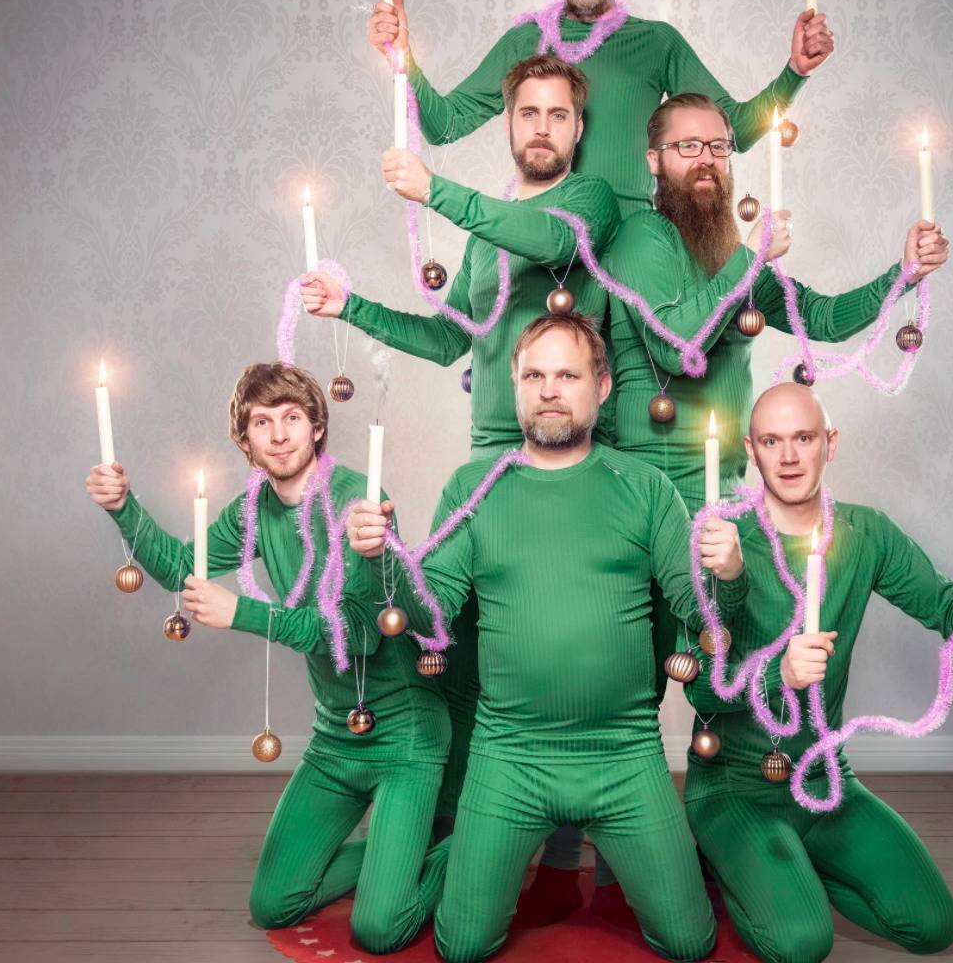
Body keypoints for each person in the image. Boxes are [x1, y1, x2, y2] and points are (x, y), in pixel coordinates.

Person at [346, 314, 748, 963]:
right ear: (514, 384)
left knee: (689, 941)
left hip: (621, 752)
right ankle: (470, 847)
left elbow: (699, 608)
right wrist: (384, 559)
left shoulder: (644, 488)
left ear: (604, 386)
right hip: (511, 754)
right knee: (461, 947)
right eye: (535, 374)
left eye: (568, 374)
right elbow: (433, 615)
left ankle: (683, 854)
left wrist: (727, 574)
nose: (550, 389)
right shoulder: (472, 489)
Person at [300, 54, 620, 847]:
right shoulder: (484, 236)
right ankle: (462, 828)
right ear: (507, 124)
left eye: (557, 114)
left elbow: (543, 235)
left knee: (556, 642)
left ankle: (568, 836)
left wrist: (433, 189)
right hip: (489, 461)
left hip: (569, 457)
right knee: (461, 642)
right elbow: (451, 338)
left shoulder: (589, 201)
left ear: (579, 129)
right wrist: (354, 306)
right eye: (526, 112)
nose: (541, 127)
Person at [85, 363, 450, 954]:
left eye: (293, 418)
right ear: (245, 440)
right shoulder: (257, 505)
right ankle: (395, 849)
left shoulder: (360, 502)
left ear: (316, 427)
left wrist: (244, 615)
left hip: (404, 737)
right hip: (335, 738)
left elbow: (361, 634)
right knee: (272, 904)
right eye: (263, 422)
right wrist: (123, 506)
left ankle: (464, 845)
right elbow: (183, 567)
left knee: (379, 930)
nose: (280, 434)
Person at [683, 382, 953, 962]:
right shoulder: (720, 541)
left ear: (830, 443)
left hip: (824, 779)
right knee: (801, 943)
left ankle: (795, 870)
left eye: (804, 438)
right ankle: (730, 862)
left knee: (934, 925)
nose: (789, 457)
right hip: (735, 784)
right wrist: (777, 678)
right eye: (772, 441)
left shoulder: (866, 534)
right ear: (751, 447)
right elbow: (697, 686)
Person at [367, 0, 834, 216]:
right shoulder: (524, 41)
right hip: (543, 243)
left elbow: (737, 131)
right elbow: (444, 124)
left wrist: (794, 72)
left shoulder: (658, 42)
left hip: (632, 250)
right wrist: (403, 59)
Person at [606, 91, 950, 512]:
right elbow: (676, 347)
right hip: (650, 499)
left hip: (726, 495)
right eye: (688, 146)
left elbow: (820, 319)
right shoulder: (643, 235)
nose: (706, 159)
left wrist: (905, 272)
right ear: (655, 160)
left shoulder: (727, 255)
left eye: (718, 147)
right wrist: (751, 256)